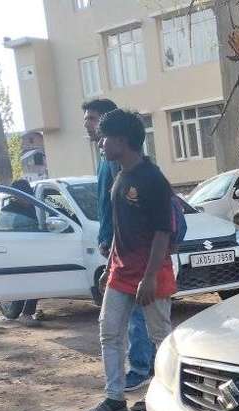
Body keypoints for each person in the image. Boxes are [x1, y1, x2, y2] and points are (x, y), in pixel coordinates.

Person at [82, 109, 176, 411]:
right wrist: (109, 267)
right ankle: (114, 398)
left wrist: (149, 278)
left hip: (152, 274)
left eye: (105, 138)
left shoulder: (154, 179)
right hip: (120, 274)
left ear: (122, 141)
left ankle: (171, 395)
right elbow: (120, 232)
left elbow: (164, 231)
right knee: (109, 333)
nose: (100, 143)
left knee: (161, 336)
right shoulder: (119, 176)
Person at [83, 98, 155, 393]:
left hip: (131, 253)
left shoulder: (124, 164)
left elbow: (132, 212)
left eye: (92, 119)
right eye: (87, 119)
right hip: (116, 250)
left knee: (140, 314)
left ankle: (142, 367)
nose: (88, 124)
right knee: (116, 323)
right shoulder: (106, 159)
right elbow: (108, 205)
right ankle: (131, 375)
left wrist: (117, 246)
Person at [0, 178, 45, 325]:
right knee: (31, 282)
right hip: (16, 253)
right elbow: (3, 234)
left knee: (35, 282)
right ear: (16, 195)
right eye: (25, 195)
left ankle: (25, 312)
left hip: (32, 251)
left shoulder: (32, 208)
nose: (29, 199)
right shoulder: (7, 211)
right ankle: (26, 314)